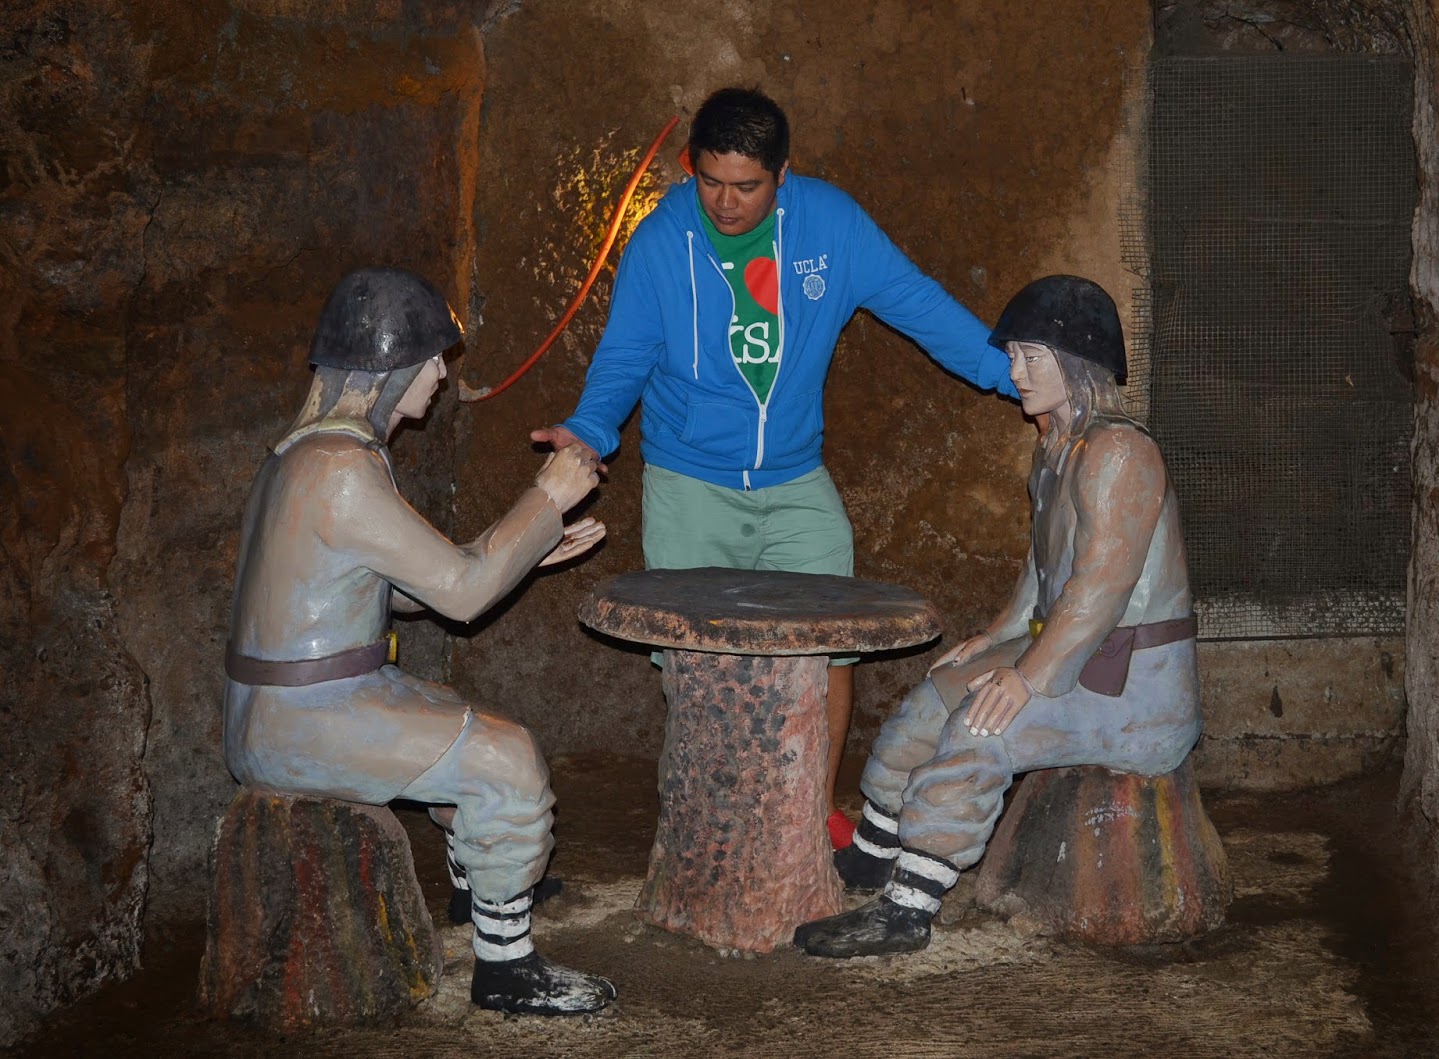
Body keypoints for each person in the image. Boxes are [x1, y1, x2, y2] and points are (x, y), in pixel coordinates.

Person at [531, 87, 1018, 848]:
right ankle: (707, 818)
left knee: (829, 641)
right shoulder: (662, 242)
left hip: (794, 478)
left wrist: (1012, 372)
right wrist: (589, 429)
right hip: (689, 479)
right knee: (694, 661)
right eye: (710, 180)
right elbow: (625, 355)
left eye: (745, 185)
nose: (723, 202)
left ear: (783, 174)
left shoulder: (832, 226)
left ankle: (809, 811)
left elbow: (918, 304)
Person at [221, 267, 616, 1015]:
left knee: (457, 717)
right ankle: (506, 962)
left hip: (280, 708)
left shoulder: (301, 455)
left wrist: (530, 546)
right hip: (304, 717)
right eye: (429, 356)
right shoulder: (340, 468)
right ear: (385, 366)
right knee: (507, 757)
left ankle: (482, 881)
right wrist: (546, 498)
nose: (440, 372)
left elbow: (393, 585)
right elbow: (464, 594)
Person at [793, 275, 1205, 957]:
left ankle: (908, 908)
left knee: (979, 728)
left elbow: (1099, 587)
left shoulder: (1121, 453)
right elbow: (1044, 574)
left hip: (1133, 688)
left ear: (1076, 364)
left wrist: (1028, 676)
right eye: (1013, 355)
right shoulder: (1056, 452)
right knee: (934, 701)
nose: (1014, 372)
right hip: (1075, 657)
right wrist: (996, 637)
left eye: (1029, 358)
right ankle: (870, 854)